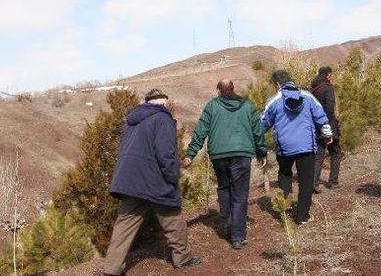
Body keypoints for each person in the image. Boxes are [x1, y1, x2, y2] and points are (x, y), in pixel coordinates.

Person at [104, 89, 201, 275]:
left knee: (125, 223)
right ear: (161, 104)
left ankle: (112, 268)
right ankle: (183, 257)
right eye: (165, 103)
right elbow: (165, 154)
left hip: (129, 179)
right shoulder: (162, 119)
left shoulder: (131, 121)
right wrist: (173, 177)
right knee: (172, 215)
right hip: (153, 177)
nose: (167, 106)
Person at [183, 79, 267, 249]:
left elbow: (201, 130)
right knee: (240, 194)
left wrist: (191, 154)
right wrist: (261, 152)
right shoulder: (247, 105)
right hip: (242, 154)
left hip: (218, 155)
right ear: (233, 89)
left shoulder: (212, 106)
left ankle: (229, 224)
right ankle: (237, 236)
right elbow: (257, 131)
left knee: (224, 187)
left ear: (219, 90)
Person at [261, 70, 333, 225]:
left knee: (285, 176)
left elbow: (262, 124)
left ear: (278, 84)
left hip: (284, 147)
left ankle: (286, 212)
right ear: (290, 80)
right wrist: (327, 135)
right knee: (306, 181)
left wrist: (257, 143)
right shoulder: (308, 96)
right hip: (306, 146)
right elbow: (321, 118)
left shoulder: (273, 101)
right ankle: (302, 216)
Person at [311, 66, 342, 192]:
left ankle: (314, 182)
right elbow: (330, 107)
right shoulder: (328, 88)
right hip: (328, 125)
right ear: (328, 75)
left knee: (319, 154)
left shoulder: (312, 88)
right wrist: (327, 127)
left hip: (315, 125)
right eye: (331, 75)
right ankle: (333, 182)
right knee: (335, 152)